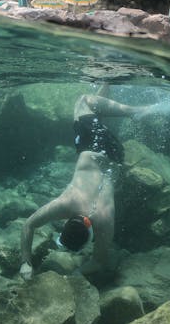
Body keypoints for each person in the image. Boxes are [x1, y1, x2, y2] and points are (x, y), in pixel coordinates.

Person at [19, 86, 155, 280]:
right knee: (83, 101)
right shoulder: (67, 204)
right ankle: (134, 110)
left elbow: (98, 262)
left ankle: (109, 83)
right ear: (66, 221)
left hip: (116, 154)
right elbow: (29, 225)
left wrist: (72, 275)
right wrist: (25, 260)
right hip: (93, 145)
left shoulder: (104, 223)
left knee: (95, 113)